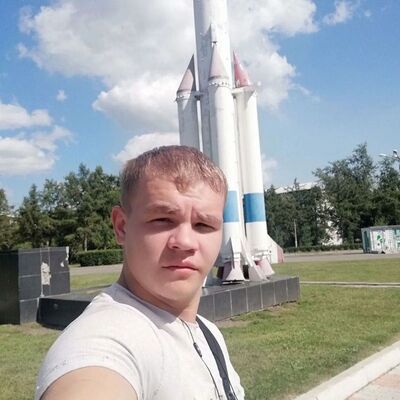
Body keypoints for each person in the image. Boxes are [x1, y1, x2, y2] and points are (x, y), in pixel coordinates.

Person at [35, 145, 245, 400]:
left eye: (204, 224)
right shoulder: (103, 340)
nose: (185, 242)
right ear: (121, 227)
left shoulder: (208, 331)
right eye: (162, 220)